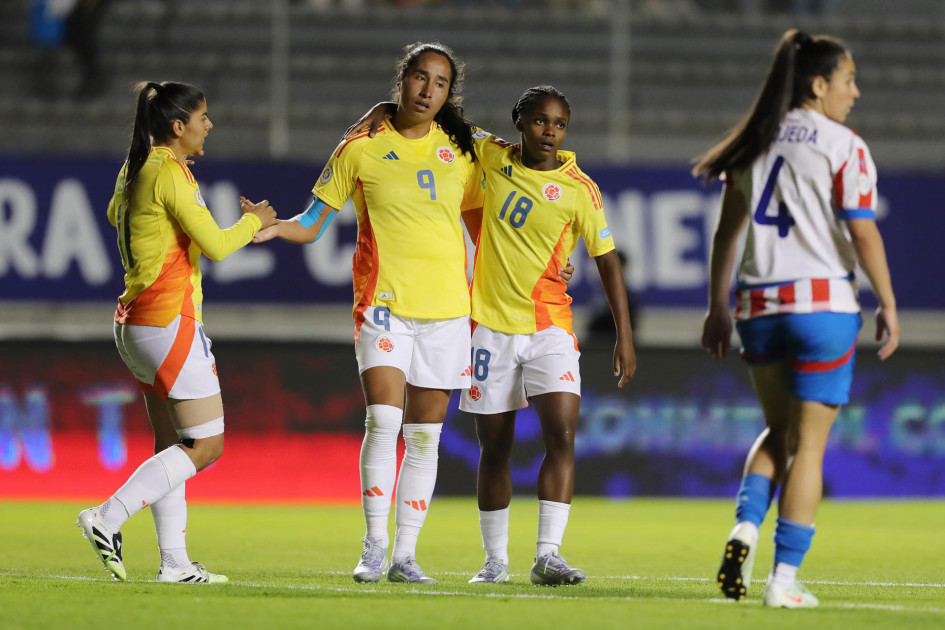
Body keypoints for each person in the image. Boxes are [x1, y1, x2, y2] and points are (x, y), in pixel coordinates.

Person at [254, 42, 483, 585]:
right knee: (384, 421)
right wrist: (274, 228)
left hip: (449, 311)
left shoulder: (465, 150)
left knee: (426, 437)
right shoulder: (359, 148)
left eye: (441, 83)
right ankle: (373, 547)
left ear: (450, 93)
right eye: (420, 78)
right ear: (401, 80)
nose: (428, 91)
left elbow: (482, 229)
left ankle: (406, 556)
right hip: (383, 306)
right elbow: (313, 220)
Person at [693, 29, 899, 608]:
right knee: (808, 449)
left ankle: (744, 529)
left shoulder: (753, 144)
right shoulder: (844, 144)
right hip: (823, 307)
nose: (854, 92)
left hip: (758, 308)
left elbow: (725, 235)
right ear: (819, 83)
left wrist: (716, 308)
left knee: (778, 434)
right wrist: (887, 301)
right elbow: (862, 229)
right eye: (848, 79)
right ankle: (782, 582)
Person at [76, 81, 277, 583]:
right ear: (177, 126)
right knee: (206, 446)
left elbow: (113, 214)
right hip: (168, 320)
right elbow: (216, 245)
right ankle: (108, 516)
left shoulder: (135, 168)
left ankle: (175, 565)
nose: (209, 125)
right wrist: (254, 222)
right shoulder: (170, 173)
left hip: (134, 324)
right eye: (203, 117)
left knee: (171, 442)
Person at [456, 86, 635, 586]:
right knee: (495, 447)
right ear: (519, 122)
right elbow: (446, 120)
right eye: (539, 121)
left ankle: (548, 555)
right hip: (489, 327)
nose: (549, 132)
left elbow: (607, 261)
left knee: (562, 435)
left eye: (558, 124)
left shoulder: (580, 189)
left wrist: (625, 334)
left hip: (551, 327)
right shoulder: (490, 156)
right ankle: (494, 561)